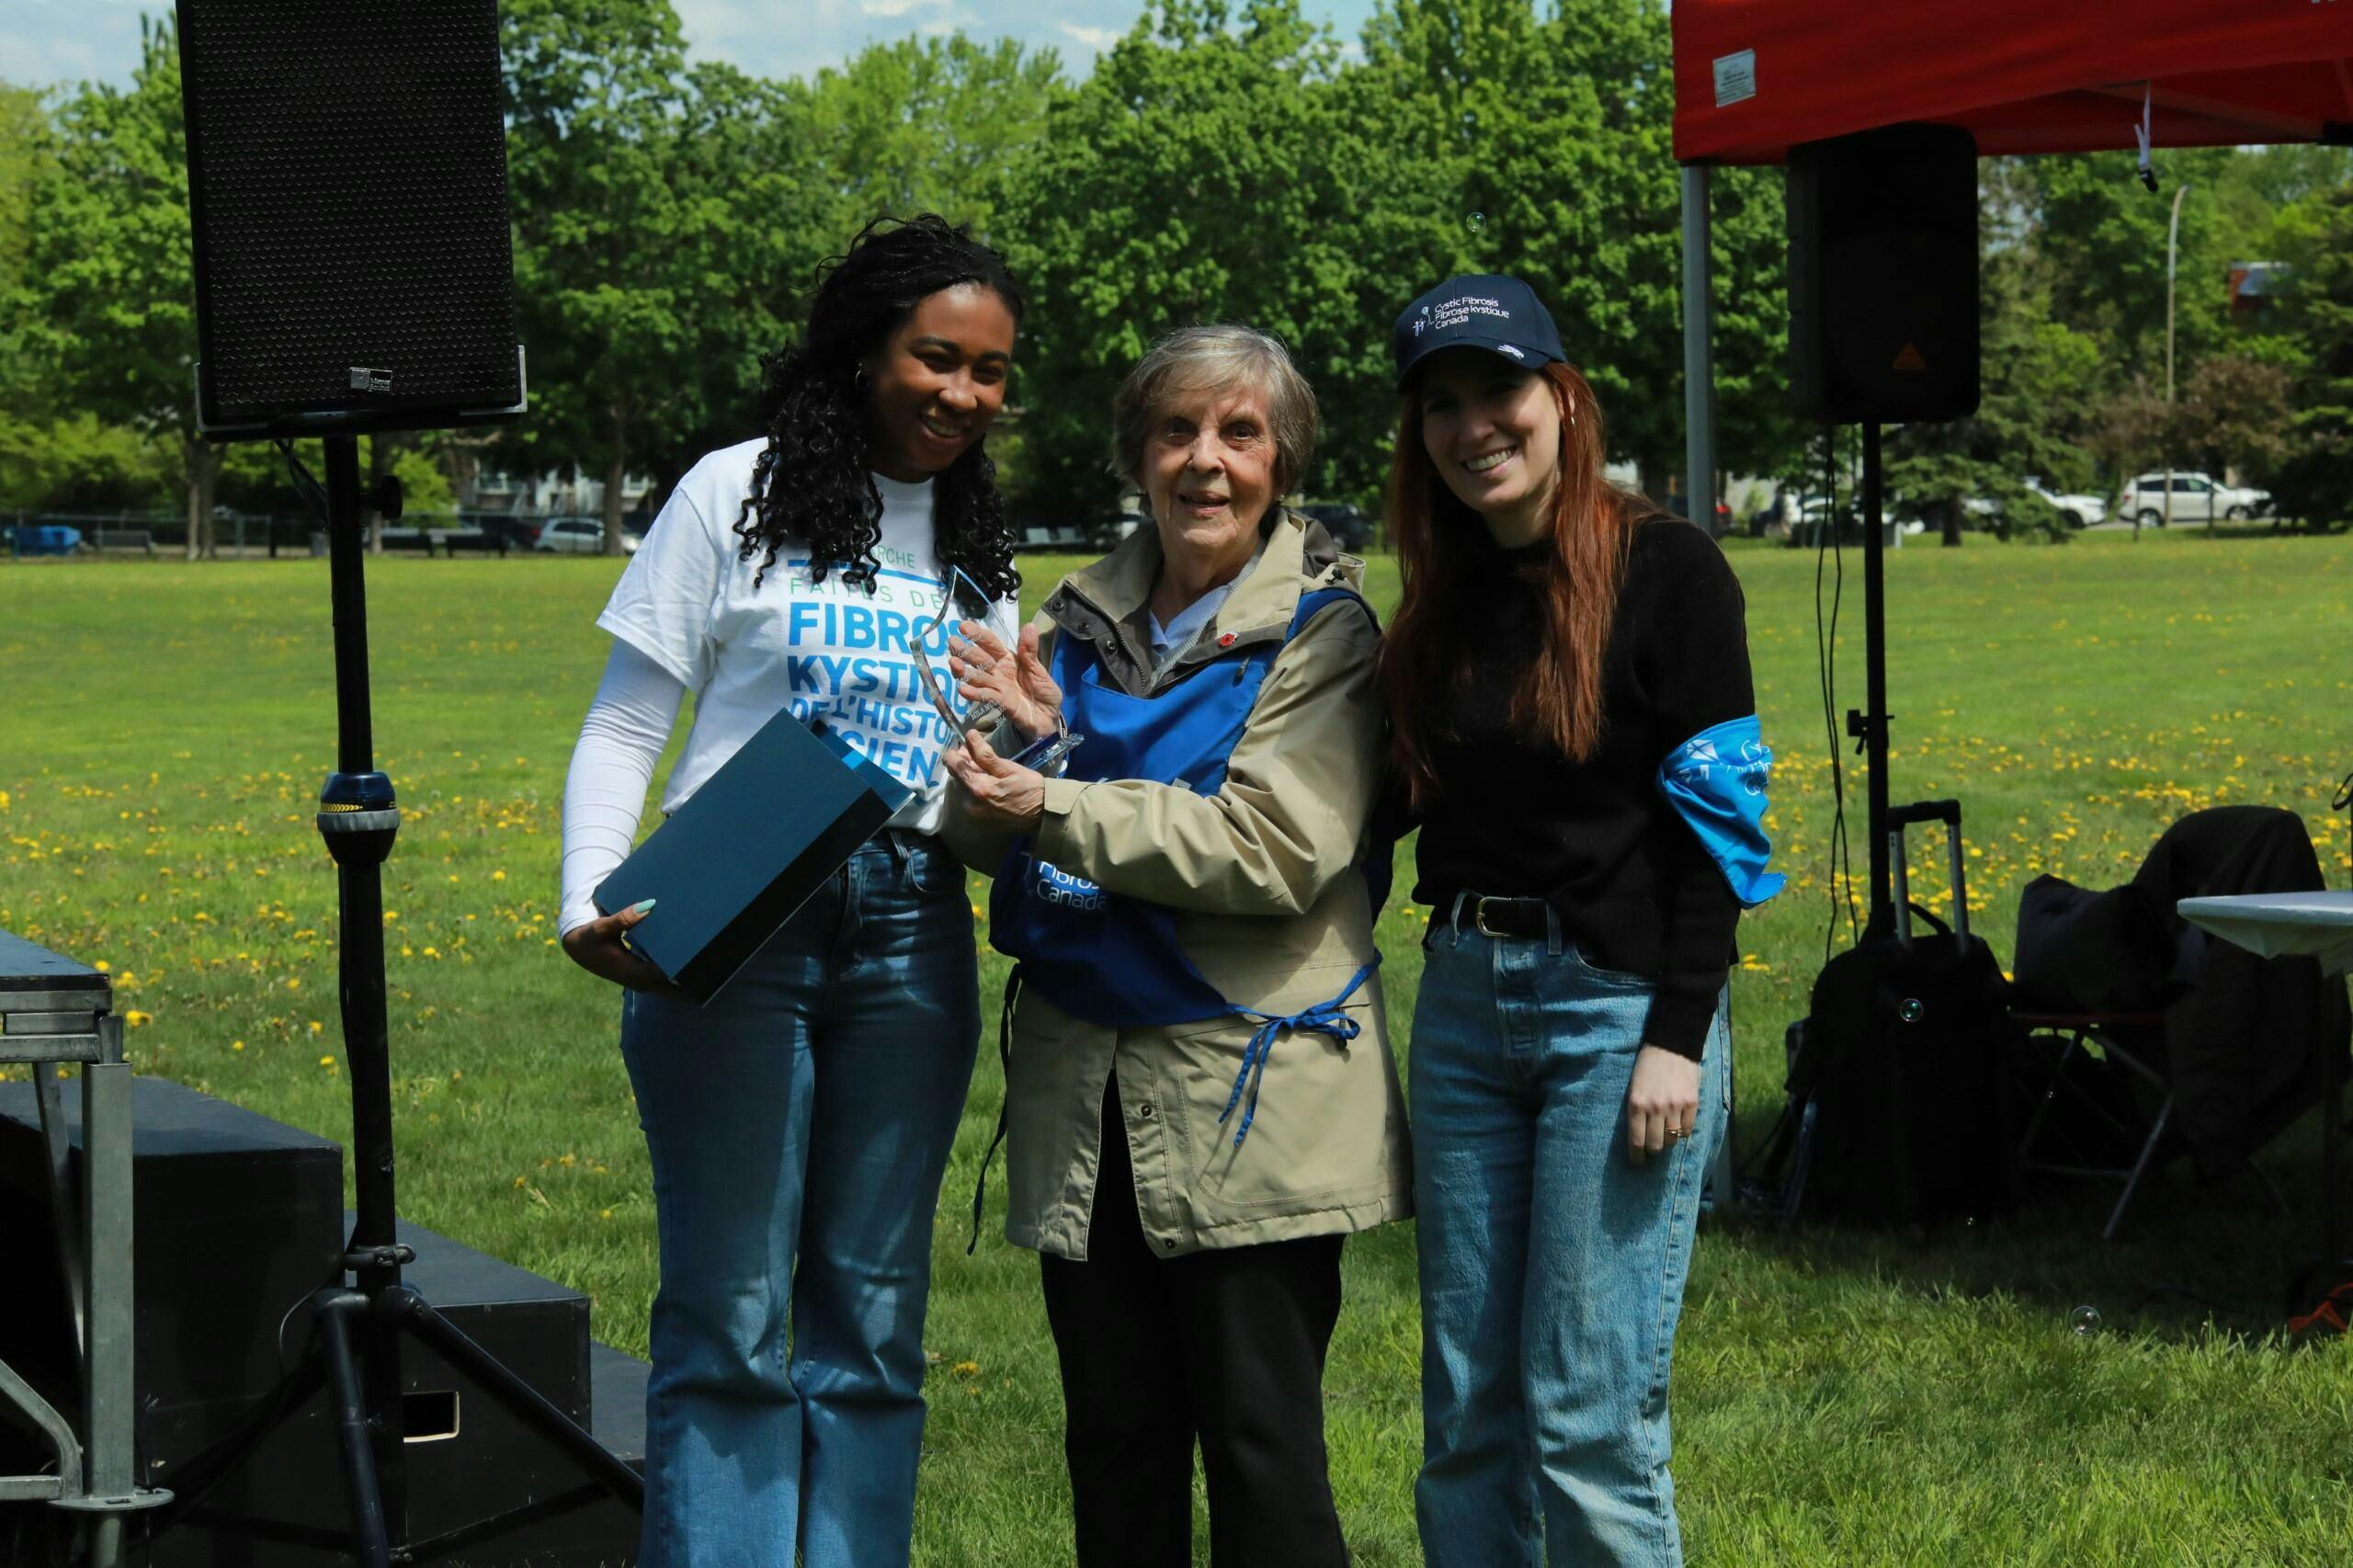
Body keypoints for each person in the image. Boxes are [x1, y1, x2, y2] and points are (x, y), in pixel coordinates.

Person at [555, 214, 1025, 1568]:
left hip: (910, 923)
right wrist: (588, 896)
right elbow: (626, 725)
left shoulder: (978, 539)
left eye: (990, 372)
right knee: (729, 1311)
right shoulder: (732, 491)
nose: (962, 394)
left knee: (875, 1320)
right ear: (863, 350)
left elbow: (978, 774)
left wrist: (1032, 747)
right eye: (936, 358)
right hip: (734, 916)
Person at [938, 324, 1411, 1568]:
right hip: (1085, 1095)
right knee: (1116, 1444)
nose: (1207, 461)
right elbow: (1007, 838)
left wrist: (1052, 797)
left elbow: (1271, 849)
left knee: (1262, 1455)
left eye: (1240, 433)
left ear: (1283, 459)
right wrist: (1026, 752)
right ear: (1137, 456)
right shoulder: (1077, 620)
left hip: (1249, 1094)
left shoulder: (1327, 631)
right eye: (1176, 431)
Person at [1380, 276, 1784, 1566]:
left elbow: (1723, 828)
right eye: (1441, 405)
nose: (1473, 425)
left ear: (1561, 396)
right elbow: (1377, 802)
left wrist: (1681, 1031)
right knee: (1469, 1412)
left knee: (1585, 1413)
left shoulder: (1669, 567)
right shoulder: (1441, 591)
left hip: (1617, 1016)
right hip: (1460, 1008)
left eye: (1499, 390)